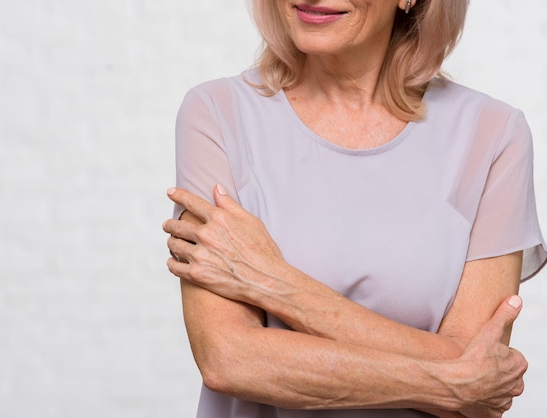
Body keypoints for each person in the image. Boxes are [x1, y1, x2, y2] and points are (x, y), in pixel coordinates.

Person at [162, 1, 547, 417]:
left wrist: (276, 284)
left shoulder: (492, 134)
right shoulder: (219, 113)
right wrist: (447, 382)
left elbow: (479, 362)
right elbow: (230, 360)